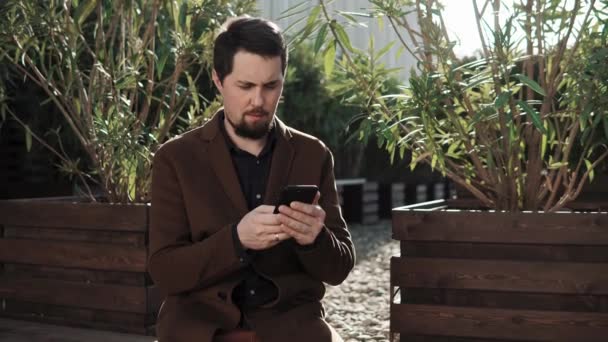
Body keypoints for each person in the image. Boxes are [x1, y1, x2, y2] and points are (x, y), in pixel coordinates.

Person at [148, 16, 355, 342]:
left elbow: (340, 267)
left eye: (271, 86)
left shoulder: (313, 154)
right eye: (245, 86)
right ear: (218, 80)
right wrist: (236, 240)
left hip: (292, 328)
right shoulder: (175, 159)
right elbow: (165, 270)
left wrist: (315, 239)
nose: (258, 101)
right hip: (200, 329)